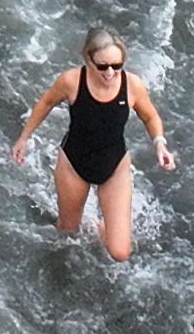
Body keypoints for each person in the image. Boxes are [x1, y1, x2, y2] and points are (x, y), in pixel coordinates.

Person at [14, 29, 172, 259]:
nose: (110, 73)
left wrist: (159, 143)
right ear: (88, 60)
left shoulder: (132, 85)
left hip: (114, 165)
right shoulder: (71, 81)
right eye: (103, 66)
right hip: (74, 163)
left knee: (120, 253)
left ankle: (105, 226)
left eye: (117, 66)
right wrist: (24, 137)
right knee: (68, 232)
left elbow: (150, 116)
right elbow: (46, 102)